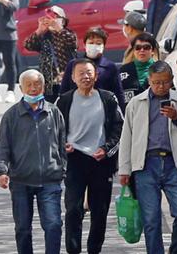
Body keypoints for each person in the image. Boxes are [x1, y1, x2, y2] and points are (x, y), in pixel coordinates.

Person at [118, 61, 177, 254]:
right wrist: (124, 169)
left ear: (171, 81)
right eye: (156, 82)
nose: (160, 86)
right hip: (146, 165)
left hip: (175, 164)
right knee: (151, 220)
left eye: (165, 82)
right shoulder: (136, 103)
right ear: (149, 80)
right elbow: (127, 138)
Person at [0, 69, 67, 254]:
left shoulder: (53, 112)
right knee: (22, 229)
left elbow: (62, 143)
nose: (34, 88)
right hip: (21, 180)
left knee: (53, 225)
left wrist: (62, 169)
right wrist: (1, 171)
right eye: (29, 85)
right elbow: (3, 146)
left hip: (50, 179)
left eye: (37, 84)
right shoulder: (11, 116)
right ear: (21, 88)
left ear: (44, 86)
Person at [56, 59, 123, 254]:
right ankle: (73, 249)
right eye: (81, 73)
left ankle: (94, 249)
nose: (85, 76)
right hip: (75, 159)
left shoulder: (108, 98)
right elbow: (54, 129)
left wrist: (107, 149)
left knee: (99, 211)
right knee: (73, 209)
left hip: (100, 160)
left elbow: (119, 128)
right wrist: (63, 145)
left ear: (96, 76)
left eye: (89, 73)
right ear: (73, 78)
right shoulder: (64, 100)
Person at [60, 27, 125, 110]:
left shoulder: (110, 67)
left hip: (101, 110)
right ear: (85, 45)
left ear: (104, 46)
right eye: (91, 43)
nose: (94, 46)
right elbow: (64, 90)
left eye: (98, 43)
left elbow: (118, 94)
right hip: (76, 108)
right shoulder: (73, 64)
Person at [24, 5, 78, 102]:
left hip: (67, 79)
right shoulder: (44, 37)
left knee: (67, 104)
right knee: (48, 107)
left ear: (63, 21)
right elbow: (28, 45)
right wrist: (39, 30)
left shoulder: (68, 34)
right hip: (48, 81)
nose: (52, 20)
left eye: (56, 17)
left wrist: (59, 29)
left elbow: (72, 42)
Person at [120, 33, 160, 103]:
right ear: (133, 51)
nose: (142, 50)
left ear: (153, 51)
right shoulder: (123, 70)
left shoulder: (161, 69)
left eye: (146, 47)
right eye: (138, 48)